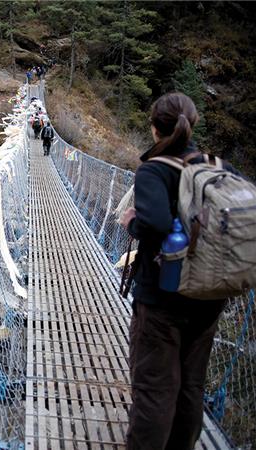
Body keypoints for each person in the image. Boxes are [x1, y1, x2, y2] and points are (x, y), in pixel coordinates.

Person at [119, 92, 242, 450]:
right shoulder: (220, 167)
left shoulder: (155, 169)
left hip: (163, 297)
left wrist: (131, 223)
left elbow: (154, 223)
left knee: (156, 386)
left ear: (154, 128)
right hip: (211, 294)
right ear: (193, 125)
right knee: (191, 383)